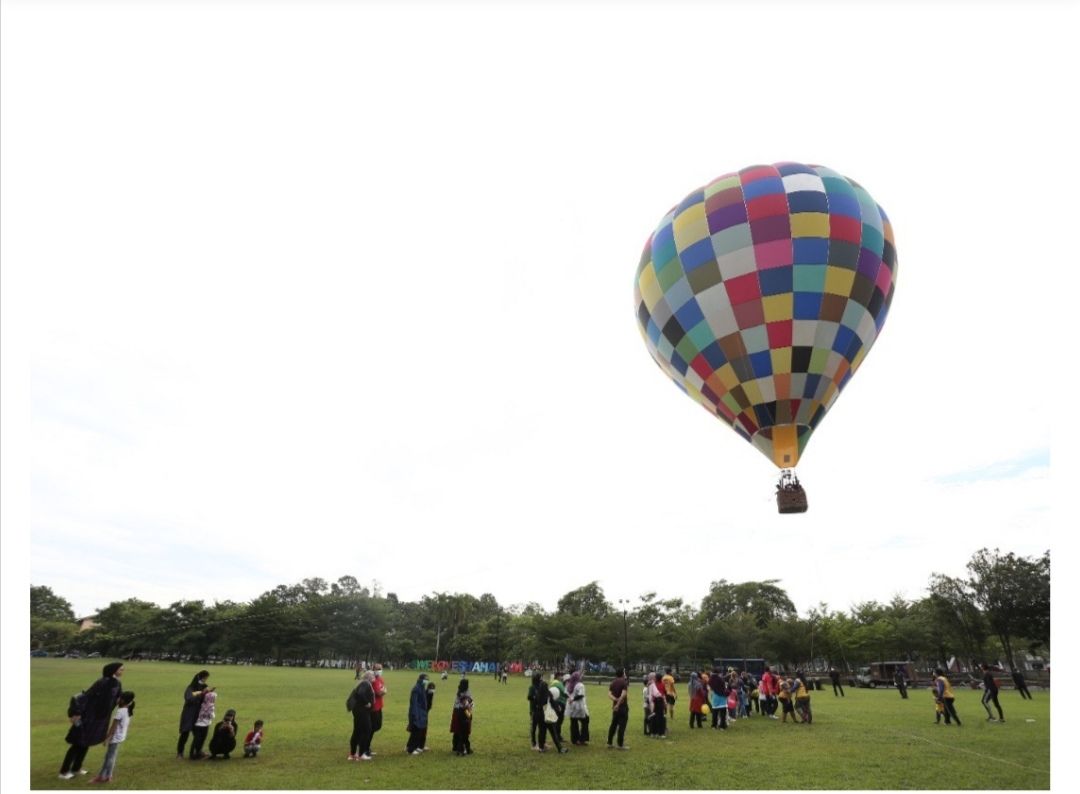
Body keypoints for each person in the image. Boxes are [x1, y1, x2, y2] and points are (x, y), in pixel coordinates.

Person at [60, 661, 125, 779]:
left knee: (86, 743)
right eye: (121, 669)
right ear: (113, 670)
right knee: (77, 744)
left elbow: (118, 698)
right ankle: (64, 772)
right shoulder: (102, 682)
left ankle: (76, 768)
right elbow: (85, 697)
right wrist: (76, 713)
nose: (123, 671)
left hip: (100, 719)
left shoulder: (117, 683)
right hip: (89, 718)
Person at [90, 690, 135, 783]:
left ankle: (101, 777)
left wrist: (107, 738)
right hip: (121, 736)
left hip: (115, 737)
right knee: (111, 756)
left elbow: (113, 727)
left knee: (109, 758)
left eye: (119, 698)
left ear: (122, 700)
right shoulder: (128, 710)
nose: (117, 699)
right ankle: (108, 776)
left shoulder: (120, 711)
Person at [177, 670, 212, 759]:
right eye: (205, 677)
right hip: (189, 713)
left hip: (199, 714)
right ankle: (180, 753)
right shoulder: (191, 687)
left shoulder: (204, 686)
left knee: (198, 735)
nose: (206, 679)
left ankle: (198, 751)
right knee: (185, 733)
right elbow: (189, 699)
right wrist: (201, 694)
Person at [347, 671, 375, 761]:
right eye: (373, 675)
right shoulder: (366, 683)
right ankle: (361, 754)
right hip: (362, 711)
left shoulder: (362, 683)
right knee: (366, 730)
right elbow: (361, 693)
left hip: (358, 711)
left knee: (357, 731)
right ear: (369, 677)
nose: (374, 677)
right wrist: (367, 703)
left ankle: (352, 754)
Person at [405, 674, 430, 755]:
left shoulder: (422, 687)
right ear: (421, 679)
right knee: (416, 731)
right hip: (417, 713)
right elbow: (414, 703)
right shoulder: (416, 689)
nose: (426, 681)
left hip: (421, 713)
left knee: (418, 730)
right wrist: (415, 714)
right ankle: (411, 749)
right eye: (425, 679)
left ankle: (410, 746)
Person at [606, 668, 629, 750]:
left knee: (613, 725)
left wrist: (615, 701)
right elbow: (623, 695)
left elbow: (609, 694)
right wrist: (618, 704)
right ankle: (620, 745)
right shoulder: (624, 682)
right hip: (622, 707)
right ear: (623, 674)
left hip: (615, 708)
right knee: (622, 726)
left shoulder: (613, 682)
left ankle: (609, 743)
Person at [190, 688, 217, 759]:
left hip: (197, 724)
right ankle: (197, 753)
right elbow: (212, 716)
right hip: (204, 724)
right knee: (201, 739)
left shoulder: (202, 703)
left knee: (196, 740)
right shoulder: (211, 706)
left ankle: (193, 753)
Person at [450, 678, 474, 755]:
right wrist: (470, 705)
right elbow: (467, 703)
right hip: (463, 712)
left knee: (457, 730)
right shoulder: (464, 692)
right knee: (463, 731)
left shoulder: (460, 690)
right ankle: (462, 749)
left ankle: (456, 746)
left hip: (457, 711)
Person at [566, 671, 590, 745]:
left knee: (573, 722)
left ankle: (574, 739)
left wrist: (570, 699)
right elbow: (581, 695)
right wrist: (573, 699)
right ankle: (582, 739)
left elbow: (566, 693)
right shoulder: (580, 685)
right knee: (585, 720)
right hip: (579, 705)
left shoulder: (569, 684)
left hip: (571, 705)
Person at [371, 664, 388, 753]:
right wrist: (383, 691)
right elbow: (378, 692)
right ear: (373, 669)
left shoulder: (380, 679)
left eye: (380, 669)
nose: (379, 670)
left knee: (377, 726)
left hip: (379, 706)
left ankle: (366, 746)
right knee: (372, 727)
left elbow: (383, 689)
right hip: (374, 707)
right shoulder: (373, 679)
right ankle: (365, 747)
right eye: (377, 669)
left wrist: (383, 691)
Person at [647, 671, 667, 738]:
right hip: (659, 702)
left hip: (653, 702)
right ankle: (660, 733)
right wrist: (665, 703)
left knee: (653, 717)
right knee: (660, 718)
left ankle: (653, 733)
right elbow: (664, 694)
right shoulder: (662, 684)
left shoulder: (652, 684)